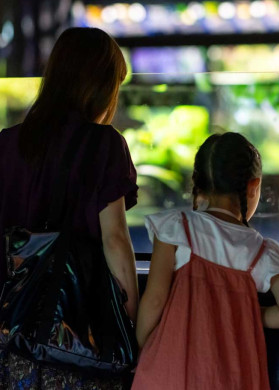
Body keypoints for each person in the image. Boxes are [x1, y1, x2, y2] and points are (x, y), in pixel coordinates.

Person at [0, 27, 138, 389]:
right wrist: (129, 323)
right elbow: (116, 242)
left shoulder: (6, 143)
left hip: (8, 335)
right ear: (101, 87)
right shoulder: (105, 145)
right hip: (78, 337)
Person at [132, 132, 279, 390]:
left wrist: (141, 346)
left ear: (198, 185)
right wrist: (241, 311)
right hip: (232, 377)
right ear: (253, 186)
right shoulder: (260, 251)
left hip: (170, 371)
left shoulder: (177, 228)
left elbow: (156, 298)